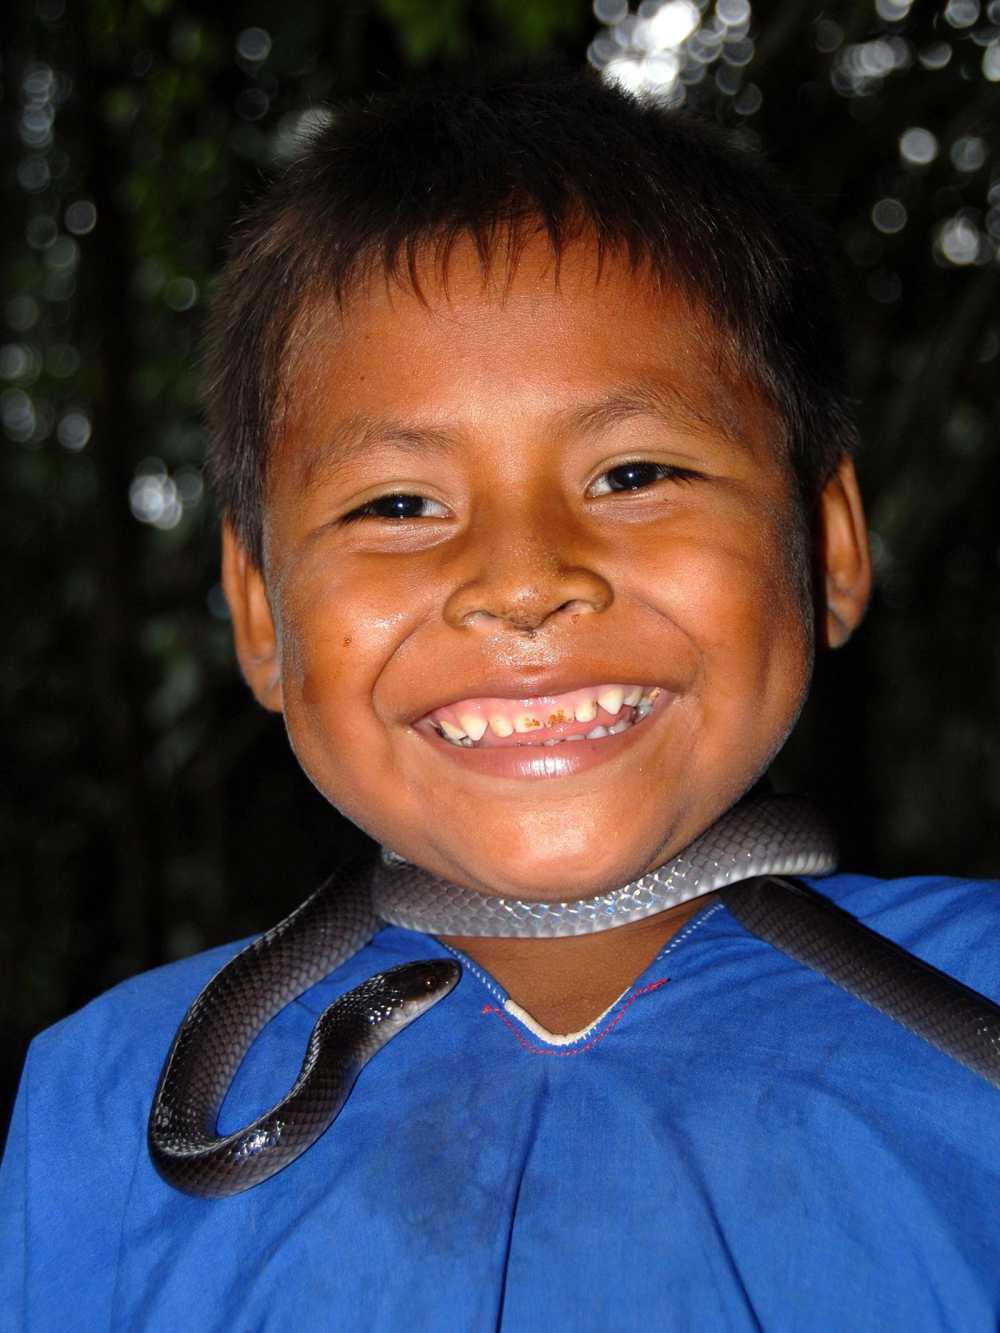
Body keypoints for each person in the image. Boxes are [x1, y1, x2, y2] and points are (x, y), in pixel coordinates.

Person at [3, 65, 999, 1331]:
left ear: (830, 548)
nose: (523, 584)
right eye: (396, 504)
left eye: (634, 471)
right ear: (259, 618)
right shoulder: (94, 1096)